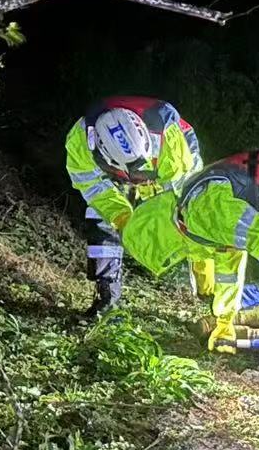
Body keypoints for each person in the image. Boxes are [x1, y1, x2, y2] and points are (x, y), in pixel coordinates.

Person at [122, 146, 259, 414]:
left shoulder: (203, 211)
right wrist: (224, 320)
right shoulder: (188, 211)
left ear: (165, 238)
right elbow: (229, 265)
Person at [65, 96, 209, 317]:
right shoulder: (80, 143)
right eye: (136, 173)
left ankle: (208, 288)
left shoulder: (169, 141)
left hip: (174, 153)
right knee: (100, 214)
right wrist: (122, 218)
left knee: (195, 215)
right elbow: (93, 187)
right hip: (117, 169)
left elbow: (183, 199)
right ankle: (107, 295)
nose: (140, 178)